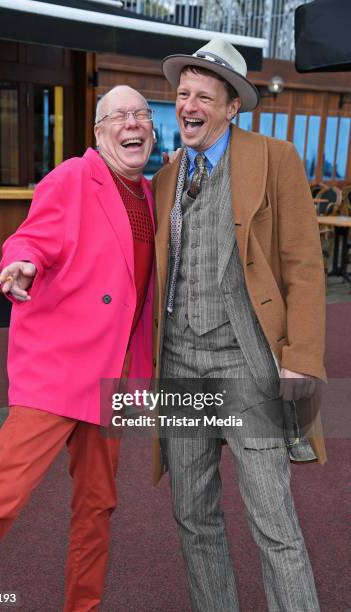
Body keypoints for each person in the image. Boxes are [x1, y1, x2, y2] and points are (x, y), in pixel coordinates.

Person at [0, 85, 155, 612]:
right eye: (119, 115)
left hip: (113, 377)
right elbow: (31, 238)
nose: (132, 123)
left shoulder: (152, 194)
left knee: (98, 505)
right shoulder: (72, 177)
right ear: (100, 132)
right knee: (1, 497)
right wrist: (20, 264)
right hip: (60, 368)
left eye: (141, 114)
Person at [151, 36, 326, 611]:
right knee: (192, 514)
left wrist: (301, 356)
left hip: (244, 362)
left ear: (232, 107)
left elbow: (303, 264)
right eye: (183, 94)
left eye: (204, 95)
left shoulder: (275, 158)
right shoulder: (169, 173)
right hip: (178, 362)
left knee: (273, 520)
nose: (189, 105)